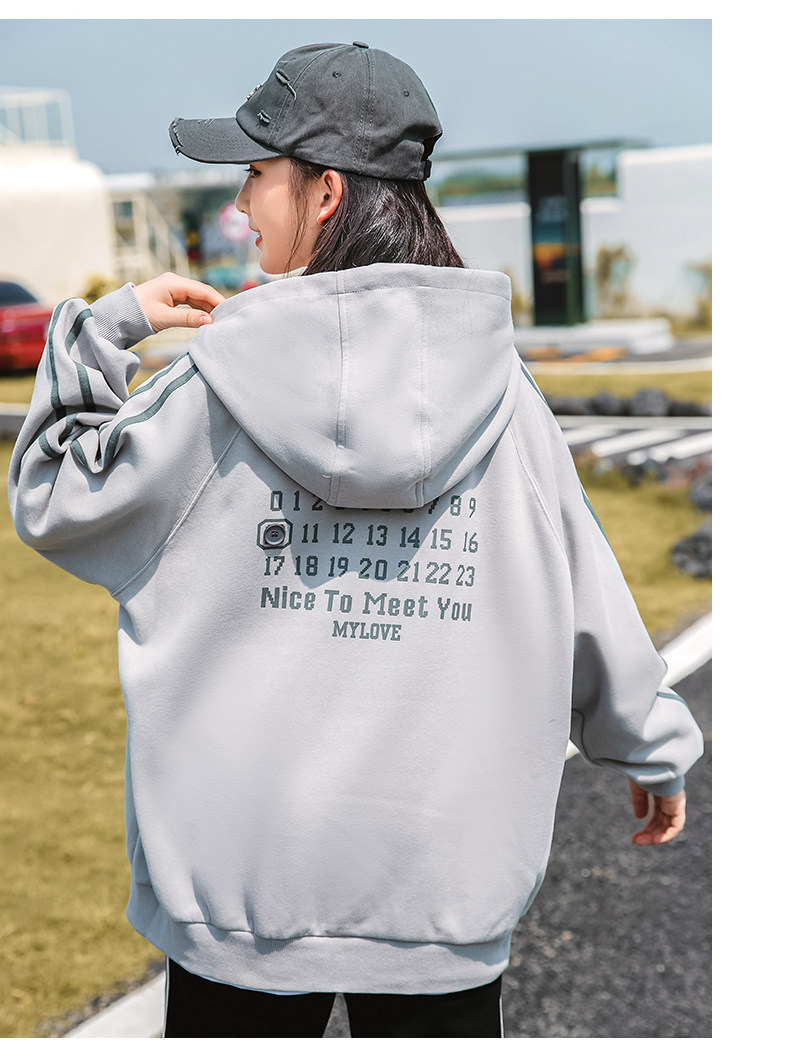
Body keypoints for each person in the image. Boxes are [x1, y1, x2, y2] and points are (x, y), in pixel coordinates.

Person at [7, 41, 703, 1039]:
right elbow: (584, 588)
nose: (241, 202)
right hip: (443, 899)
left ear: (324, 191)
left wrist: (104, 329)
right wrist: (650, 746)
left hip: (238, 908)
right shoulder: (506, 399)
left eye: (256, 172)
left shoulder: (213, 389)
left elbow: (54, 492)